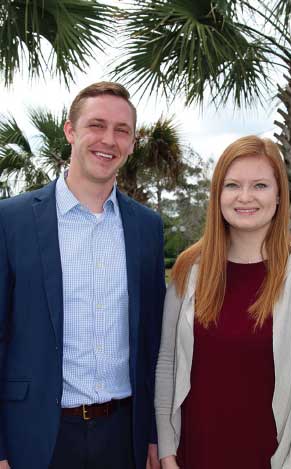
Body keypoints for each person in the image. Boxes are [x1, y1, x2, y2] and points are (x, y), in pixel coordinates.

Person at [0, 82, 166, 469]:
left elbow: (153, 342)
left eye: (122, 130)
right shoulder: (11, 220)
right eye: (97, 125)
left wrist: (155, 435)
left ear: (132, 142)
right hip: (36, 438)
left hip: (123, 437)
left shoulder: (147, 227)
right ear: (70, 131)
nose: (109, 139)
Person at [155, 135, 291, 469]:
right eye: (233, 185)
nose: (245, 197)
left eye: (260, 185)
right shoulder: (189, 270)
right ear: (217, 194)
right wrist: (167, 453)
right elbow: (167, 365)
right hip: (193, 458)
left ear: (279, 196)